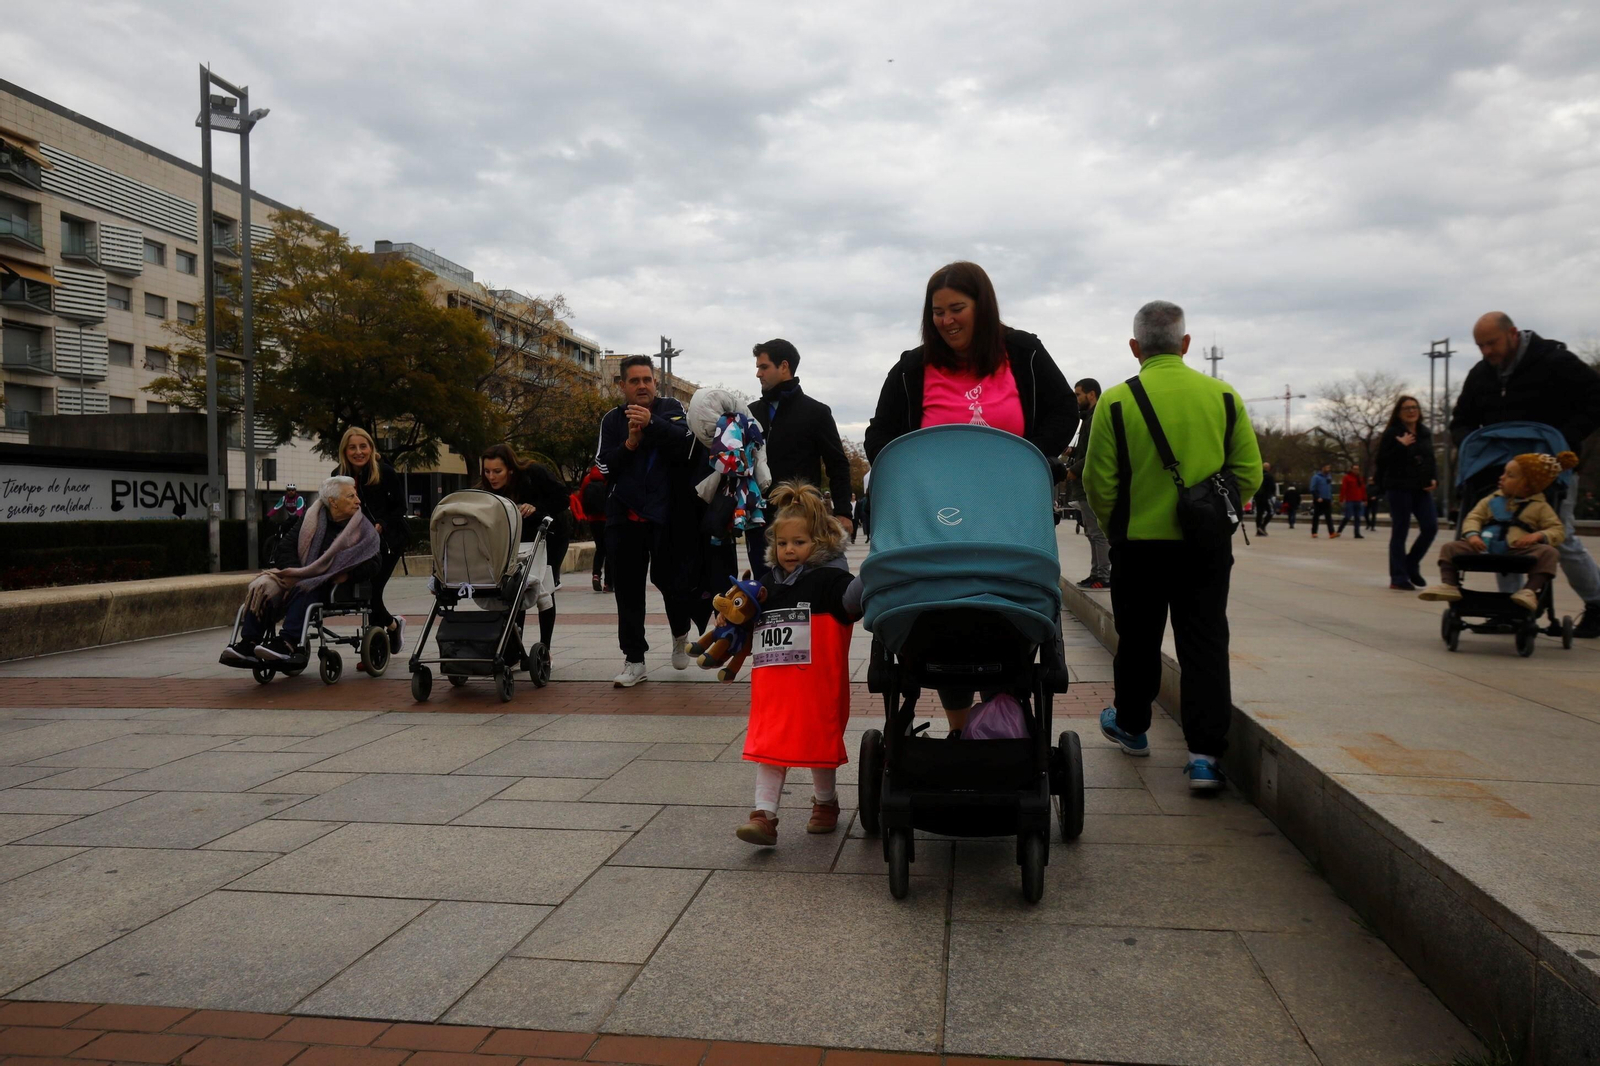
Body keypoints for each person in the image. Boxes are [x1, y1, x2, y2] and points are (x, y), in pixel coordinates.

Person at [864, 260, 1077, 733]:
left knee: (1006, 615)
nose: (947, 320)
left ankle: (1003, 719)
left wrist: (1027, 458)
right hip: (942, 519)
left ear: (983, 307)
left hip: (1010, 517)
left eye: (957, 308)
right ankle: (963, 729)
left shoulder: (1022, 353)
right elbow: (881, 438)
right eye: (937, 312)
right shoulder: (912, 368)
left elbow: (1065, 411)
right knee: (943, 613)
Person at [1083, 300, 1261, 792]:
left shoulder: (1115, 402)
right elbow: (1249, 473)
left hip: (1138, 545)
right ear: (1185, 344)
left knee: (1137, 639)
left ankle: (1133, 727)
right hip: (1203, 548)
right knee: (1205, 643)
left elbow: (1099, 481)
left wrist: (1117, 525)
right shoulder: (1224, 397)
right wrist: (1214, 519)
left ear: (1135, 347)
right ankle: (1204, 757)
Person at [1451, 312, 1600, 638]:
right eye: (1480, 346)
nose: (1486, 351)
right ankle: (1509, 607)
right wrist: (1470, 446)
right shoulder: (1480, 375)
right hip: (1499, 471)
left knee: (1564, 539)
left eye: (1492, 343)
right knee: (1501, 530)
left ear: (1513, 334)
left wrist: (1565, 437)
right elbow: (1461, 419)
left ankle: (1597, 603)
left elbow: (1595, 397)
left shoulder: (1554, 361)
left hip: (1552, 467)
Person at [736, 482, 863, 846]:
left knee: (817, 743)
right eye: (782, 543)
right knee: (770, 747)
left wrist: (875, 572)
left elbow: (852, 601)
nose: (789, 550)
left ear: (820, 543)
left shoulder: (830, 581)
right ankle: (764, 815)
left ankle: (825, 803)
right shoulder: (764, 586)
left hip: (816, 687)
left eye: (799, 542)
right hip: (773, 689)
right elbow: (741, 615)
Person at [596, 355, 699, 687]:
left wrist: (651, 424)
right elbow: (606, 467)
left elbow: (686, 446)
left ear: (655, 383)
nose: (642, 385)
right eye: (635, 381)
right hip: (624, 517)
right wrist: (630, 443)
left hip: (667, 516)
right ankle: (634, 660)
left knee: (671, 581)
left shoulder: (671, 409)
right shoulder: (612, 420)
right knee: (627, 591)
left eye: (647, 379)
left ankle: (680, 632)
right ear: (623, 386)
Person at [221, 476, 380, 666]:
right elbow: (284, 549)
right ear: (333, 502)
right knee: (263, 585)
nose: (358, 501)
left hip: (331, 583)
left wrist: (348, 575)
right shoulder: (310, 518)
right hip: (302, 574)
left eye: (355, 495)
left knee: (307, 586)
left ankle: (287, 643)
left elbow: (374, 562)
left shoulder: (363, 529)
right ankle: (248, 643)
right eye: (351, 496)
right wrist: (298, 571)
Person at [747, 339, 854, 578]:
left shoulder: (816, 412)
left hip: (803, 520)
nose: (758, 374)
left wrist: (844, 512)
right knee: (765, 591)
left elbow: (837, 464)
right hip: (760, 523)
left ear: (783, 366)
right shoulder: (750, 412)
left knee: (805, 588)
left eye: (763, 367)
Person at [1418, 452, 1575, 613]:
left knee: (1549, 553)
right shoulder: (1491, 500)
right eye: (1504, 473)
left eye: (1510, 475)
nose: (1502, 477)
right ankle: (1449, 584)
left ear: (1527, 485)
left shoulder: (1540, 507)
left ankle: (1529, 591)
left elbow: (1556, 529)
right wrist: (1472, 535)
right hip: (1484, 545)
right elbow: (1474, 518)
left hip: (1519, 550)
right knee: (1449, 548)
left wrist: (1538, 535)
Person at [481, 444, 570, 660]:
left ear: (510, 469)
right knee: (514, 585)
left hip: (550, 533)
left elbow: (563, 498)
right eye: (487, 471)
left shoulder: (533, 473)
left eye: (497, 471)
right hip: (516, 537)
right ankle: (515, 645)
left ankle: (544, 649)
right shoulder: (487, 490)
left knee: (544, 586)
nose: (492, 477)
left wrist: (536, 508)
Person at [332, 427, 409, 655]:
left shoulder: (384, 472)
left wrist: (381, 524)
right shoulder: (338, 476)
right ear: (344, 450)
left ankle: (387, 634)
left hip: (388, 540)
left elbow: (400, 508)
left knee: (372, 594)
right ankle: (387, 630)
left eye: (363, 446)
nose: (358, 452)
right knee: (362, 596)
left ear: (371, 448)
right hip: (357, 543)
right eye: (352, 447)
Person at [1373, 395, 1438, 590]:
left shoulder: (1425, 433)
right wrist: (1400, 446)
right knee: (1400, 531)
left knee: (1430, 527)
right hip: (1399, 487)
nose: (1411, 411)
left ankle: (1411, 563)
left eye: (1414, 407)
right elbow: (1382, 461)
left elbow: (1430, 458)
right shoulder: (1393, 433)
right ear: (1399, 413)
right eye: (1407, 408)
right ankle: (1398, 577)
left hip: (1421, 488)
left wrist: (1434, 478)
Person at [1065, 378, 1113, 588]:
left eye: (1078, 394)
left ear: (1091, 394)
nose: (1076, 399)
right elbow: (1087, 449)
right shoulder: (1088, 419)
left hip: (1091, 483)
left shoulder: (1096, 418)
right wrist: (1072, 452)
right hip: (1085, 484)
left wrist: (1073, 471)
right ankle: (1096, 573)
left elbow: (1097, 450)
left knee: (1097, 533)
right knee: (1091, 531)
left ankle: (1103, 575)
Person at [570, 464, 612, 593]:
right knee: (610, 550)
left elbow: (582, 498)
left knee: (600, 548)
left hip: (593, 520)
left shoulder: (588, 478)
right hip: (608, 519)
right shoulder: (609, 475)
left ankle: (596, 575)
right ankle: (609, 583)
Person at [1335, 464, 1367, 539]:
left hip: (1358, 500)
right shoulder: (1347, 478)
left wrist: (1365, 499)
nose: (1356, 471)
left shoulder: (1360, 479)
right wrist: (1341, 499)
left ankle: (1357, 533)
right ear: (1352, 469)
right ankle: (1339, 531)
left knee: (1357, 517)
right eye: (1355, 469)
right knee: (1347, 516)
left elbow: (1363, 489)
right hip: (1350, 500)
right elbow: (1343, 489)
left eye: (1357, 469)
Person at [1309, 464, 1335, 538]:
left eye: (1329, 468)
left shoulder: (1329, 477)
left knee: (1328, 516)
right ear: (1323, 468)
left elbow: (1330, 489)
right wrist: (1317, 497)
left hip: (1327, 499)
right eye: (1327, 467)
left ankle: (1331, 532)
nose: (1328, 469)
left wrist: (1331, 499)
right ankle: (1314, 532)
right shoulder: (1316, 477)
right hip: (1319, 499)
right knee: (1316, 516)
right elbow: (1312, 488)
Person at [1254, 461, 1277, 537]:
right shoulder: (1269, 476)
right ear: (1269, 468)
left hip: (1257, 496)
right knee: (1270, 512)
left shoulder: (1258, 475)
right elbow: (1273, 487)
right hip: (1266, 497)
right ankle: (1262, 526)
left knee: (1259, 513)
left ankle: (1258, 530)